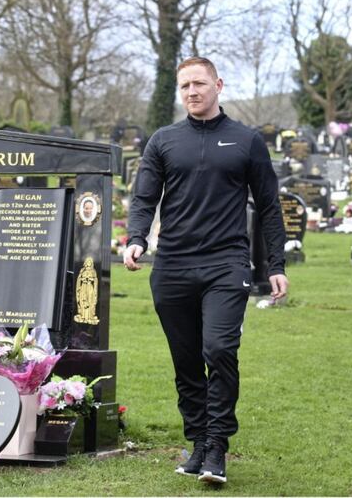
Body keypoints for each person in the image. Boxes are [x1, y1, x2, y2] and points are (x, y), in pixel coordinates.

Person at [124, 57, 288, 484]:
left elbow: (269, 206)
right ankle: (197, 442)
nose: (192, 92)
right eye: (184, 87)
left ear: (218, 84)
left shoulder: (246, 141)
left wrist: (275, 264)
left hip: (226, 264)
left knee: (218, 349)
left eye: (199, 84)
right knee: (185, 361)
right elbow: (144, 198)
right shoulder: (163, 141)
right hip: (173, 265)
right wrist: (137, 238)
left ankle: (217, 445)